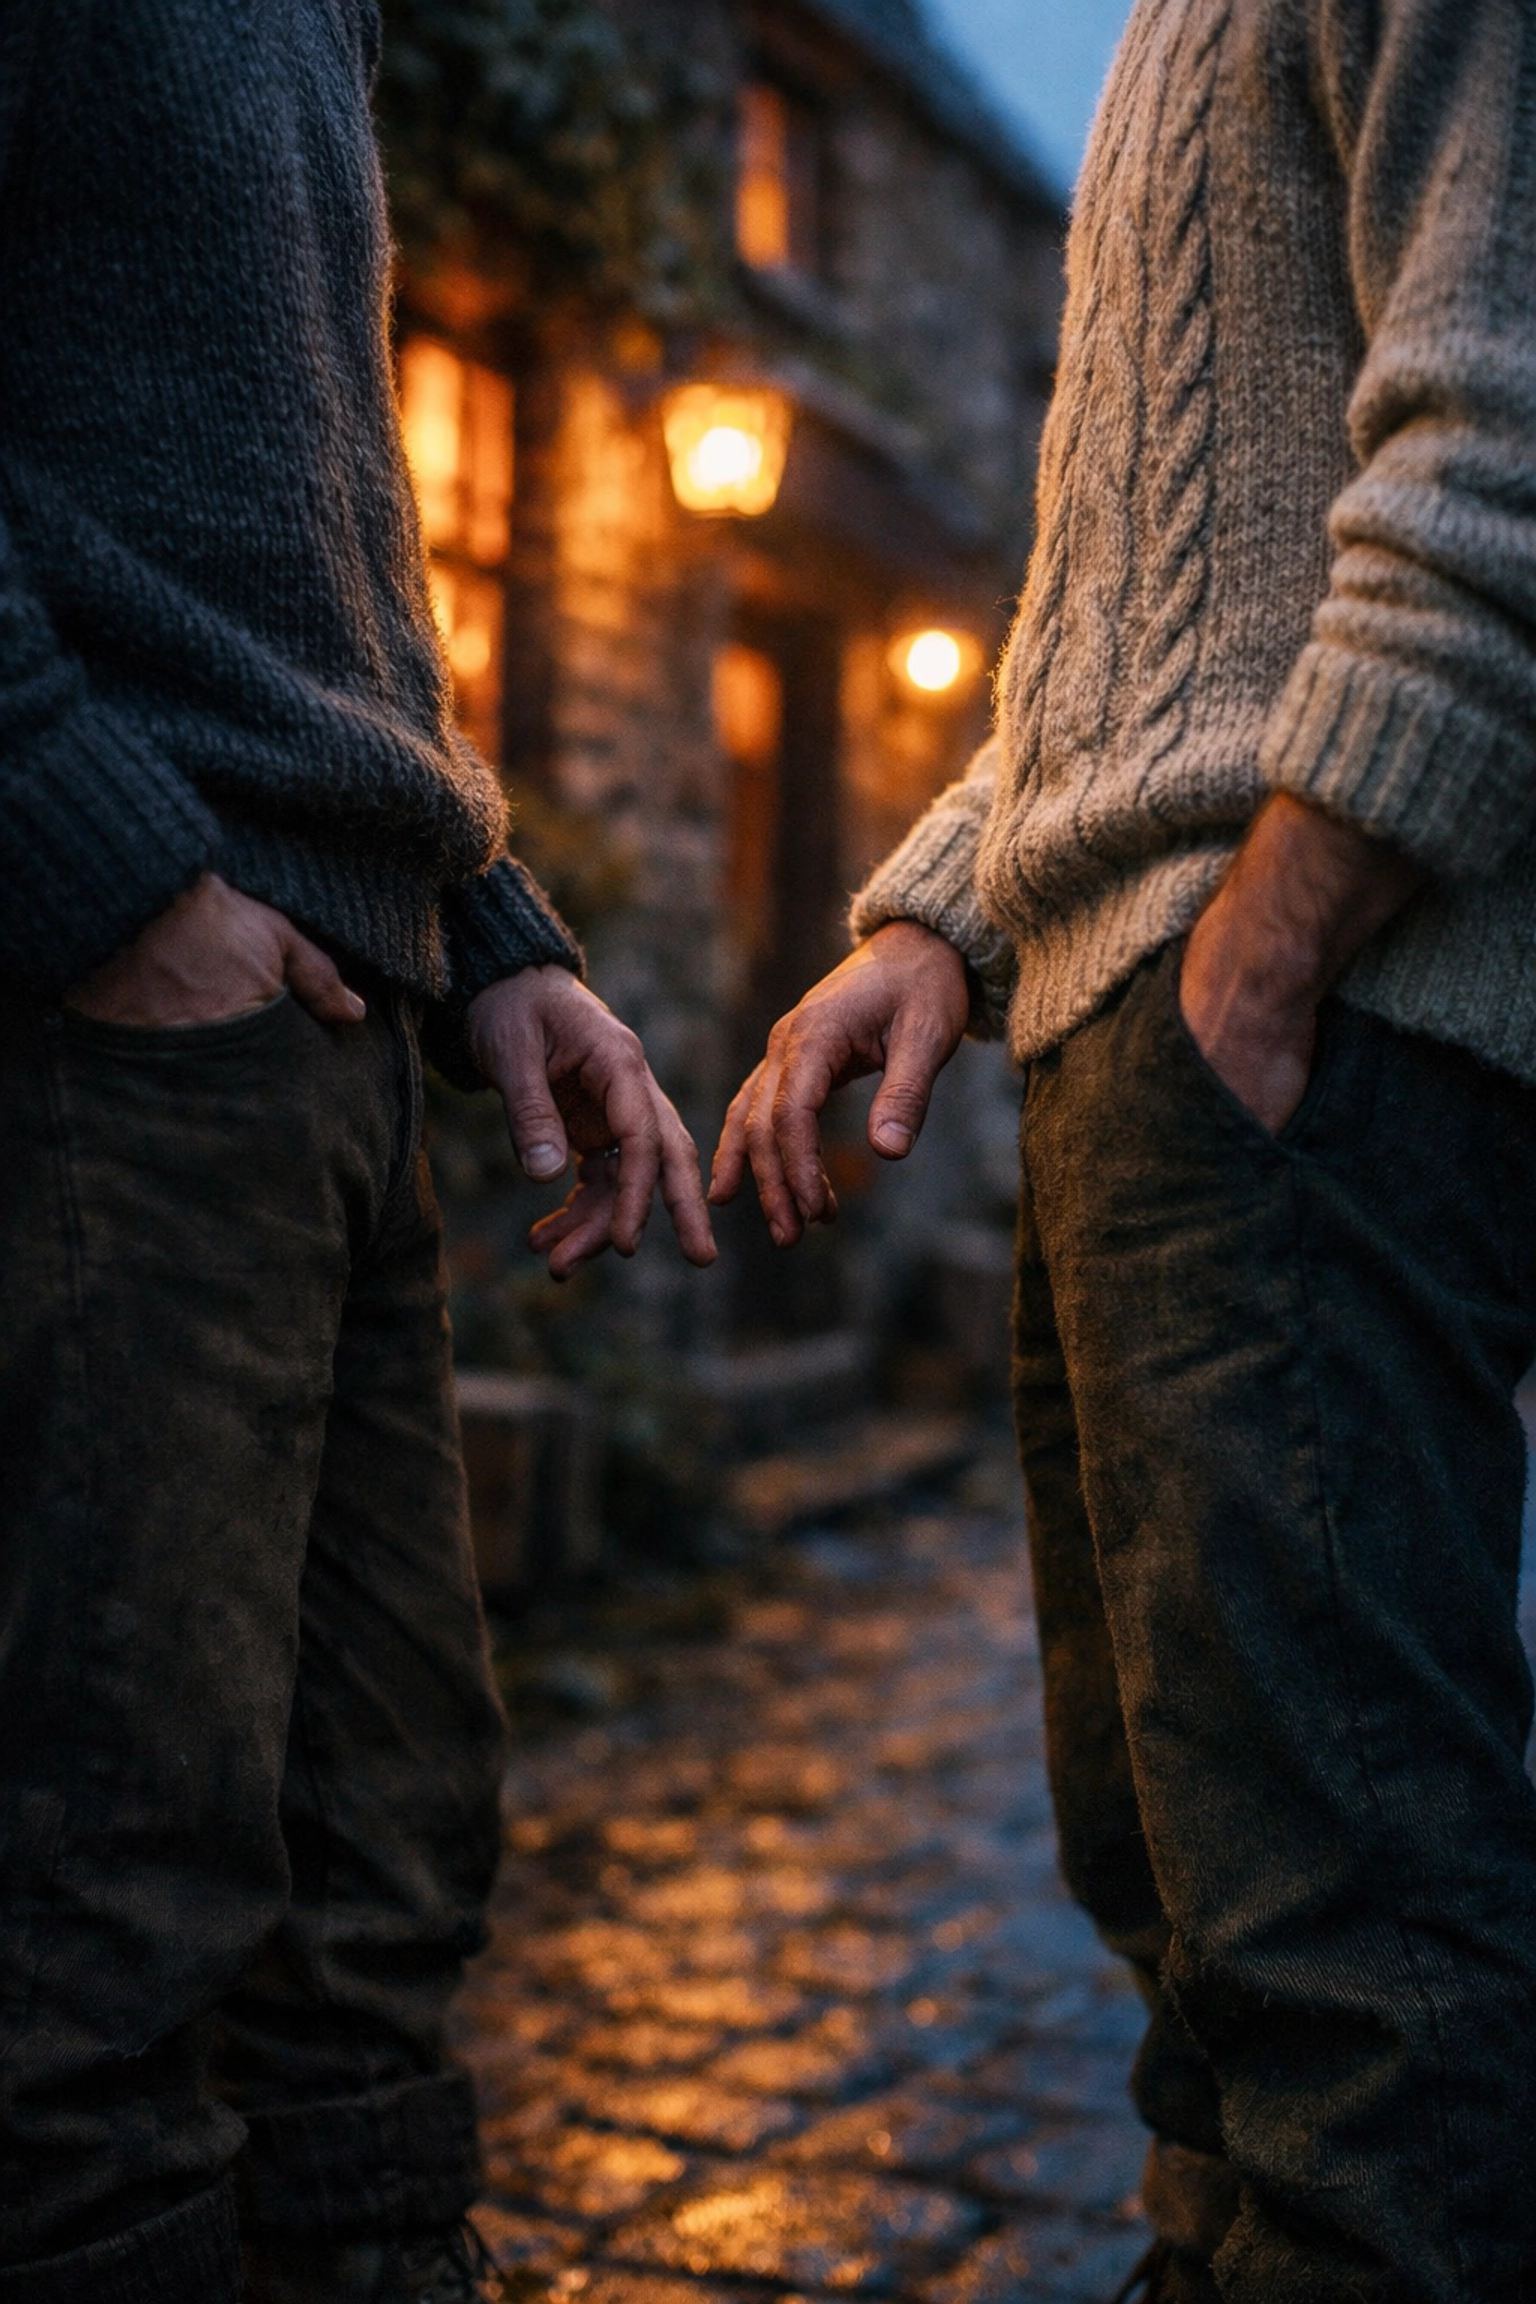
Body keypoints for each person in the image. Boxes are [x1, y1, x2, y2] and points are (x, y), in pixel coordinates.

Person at [712, 1, 1536, 2297]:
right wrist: (948, 923)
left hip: (1306, 1039)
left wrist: (1271, 951)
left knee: (1350, 1966)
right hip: (1160, 1046)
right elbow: (1127, 624)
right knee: (1197, 1943)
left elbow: (1510, 428)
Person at [0, 4, 714, 2300]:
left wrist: (488, 922)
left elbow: (301, 549)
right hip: (111, 1027)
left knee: (383, 1871)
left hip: (331, 1029)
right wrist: (91, 855)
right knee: (107, 1913)